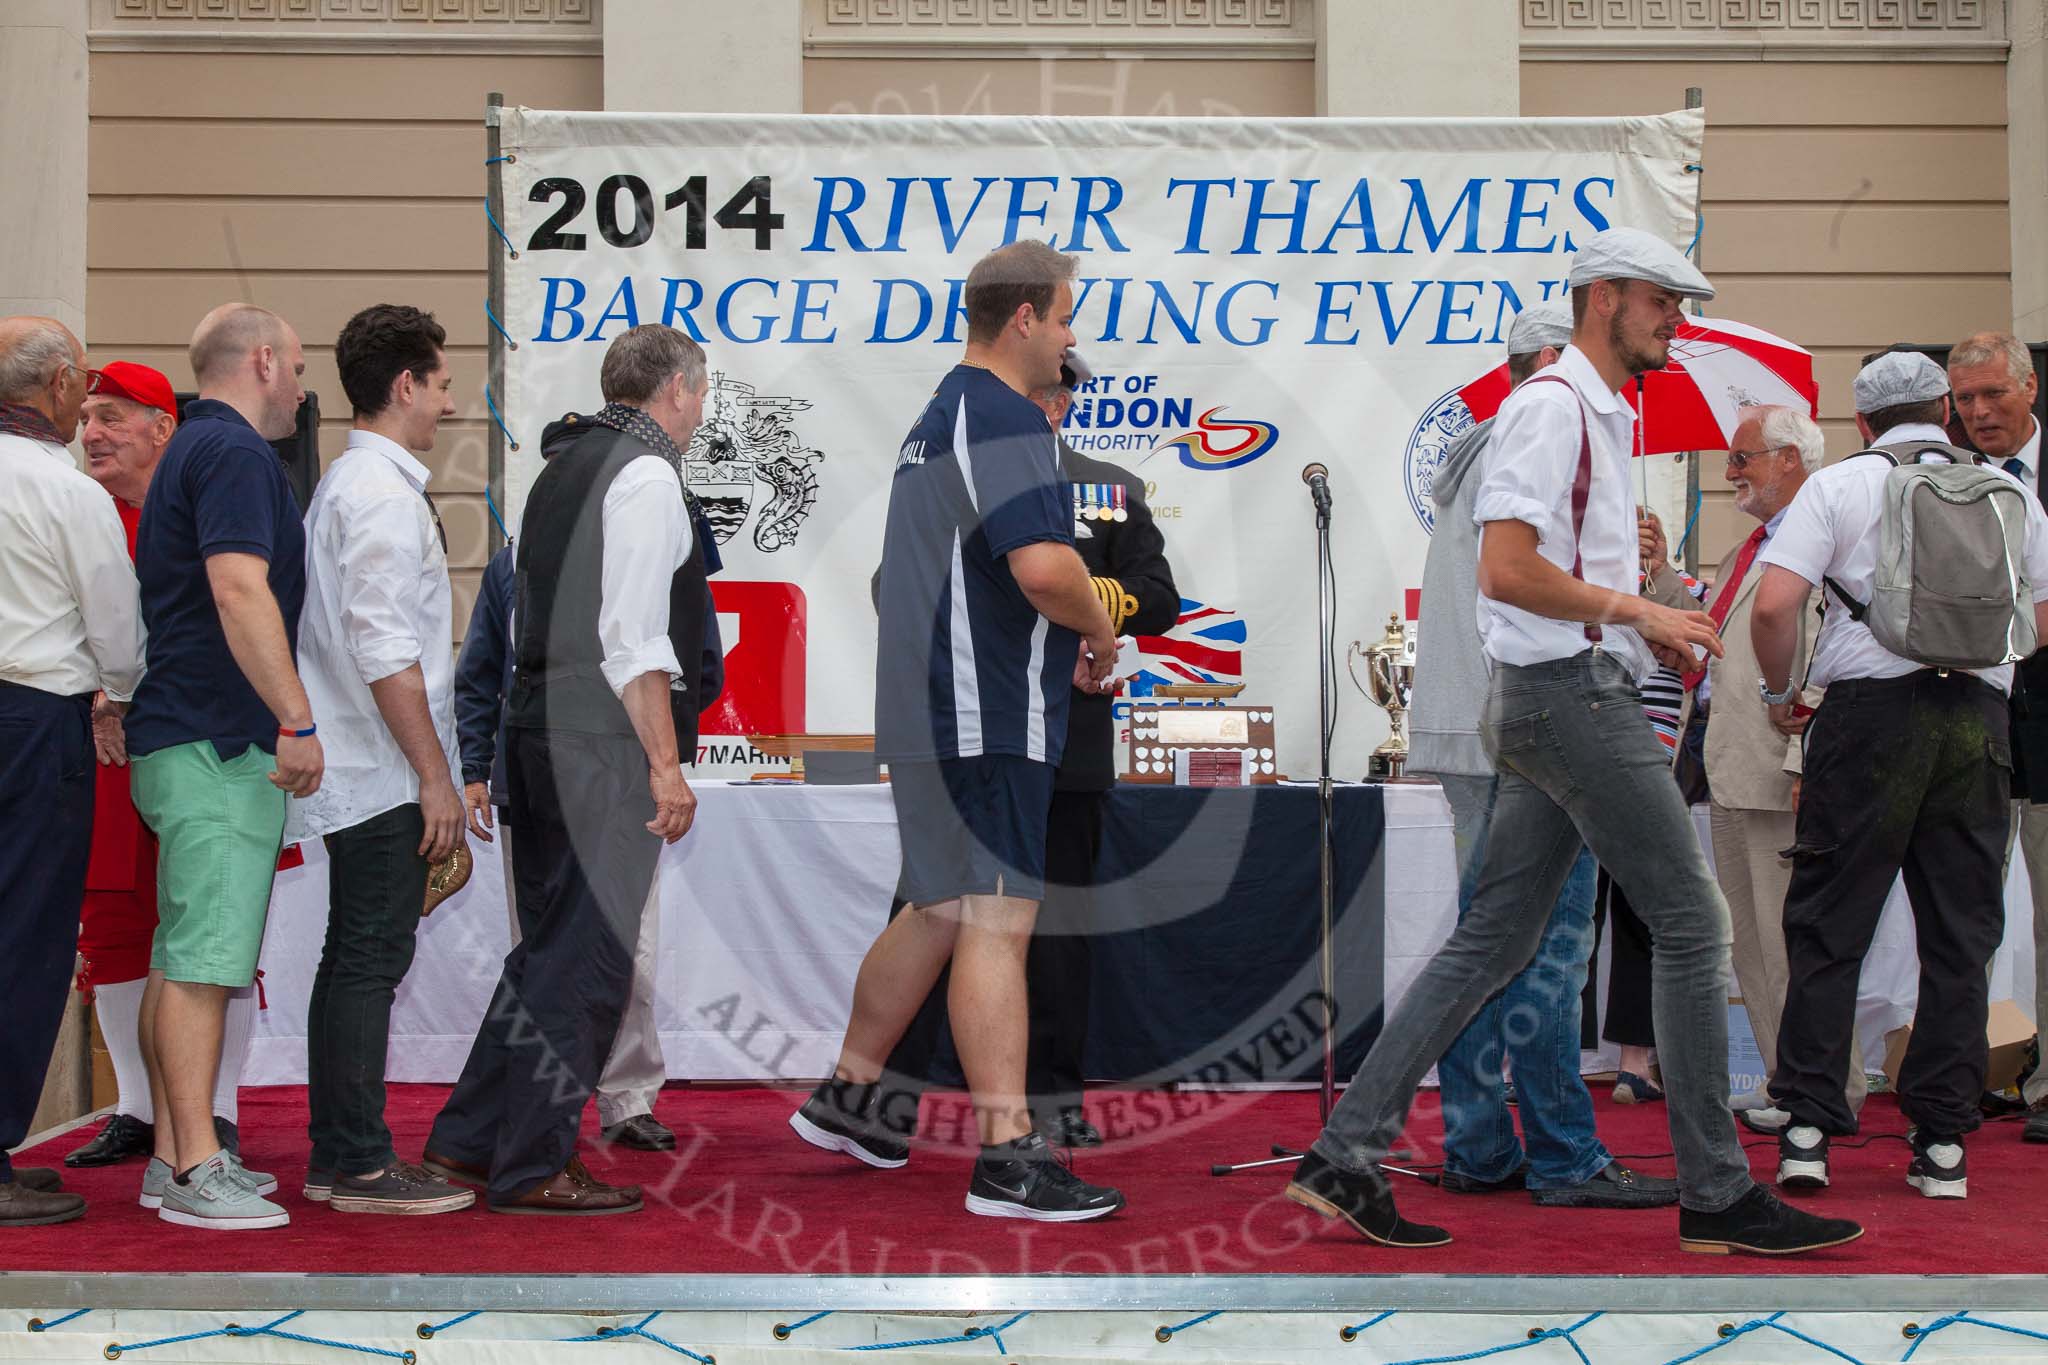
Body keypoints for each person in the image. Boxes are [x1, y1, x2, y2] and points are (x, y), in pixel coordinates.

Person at [1282, 226, 1861, 1257]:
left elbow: (1527, 572)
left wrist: (1639, 603)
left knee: (1491, 940)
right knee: (1691, 924)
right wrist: (1635, 613)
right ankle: (1717, 1191)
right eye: (1662, 305)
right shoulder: (1553, 410)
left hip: (1551, 694)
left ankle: (1344, 1152)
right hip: (1567, 697)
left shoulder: (1582, 410)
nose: (1674, 325)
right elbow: (1502, 572)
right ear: (1605, 298)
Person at [788, 240, 1126, 1222]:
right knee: (992, 916)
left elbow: (919, 576)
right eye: (1065, 317)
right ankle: (1009, 1156)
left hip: (937, 704)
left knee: (939, 908)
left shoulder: (939, 415)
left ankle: (855, 1093)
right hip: (983, 709)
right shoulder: (1003, 414)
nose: (1070, 339)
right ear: (1022, 317)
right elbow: (1045, 570)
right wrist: (1100, 634)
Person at [423, 323, 706, 1214]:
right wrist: (665, 764)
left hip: (536, 736)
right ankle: (535, 1162)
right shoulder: (649, 473)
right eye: (702, 392)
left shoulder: (560, 469)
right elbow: (633, 638)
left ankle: (469, 1144)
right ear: (677, 389)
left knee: (543, 953)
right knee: (586, 960)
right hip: (599, 745)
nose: (703, 410)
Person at [1753, 350, 2048, 1199]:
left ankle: (1808, 1128)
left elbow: (1775, 607)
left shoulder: (1842, 487)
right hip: (1977, 723)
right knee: (1959, 938)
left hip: (1868, 720)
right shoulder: (2008, 491)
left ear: (1864, 421)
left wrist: (1784, 692)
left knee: (1828, 927)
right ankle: (1944, 1143)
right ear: (1944, 410)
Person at [869, 347, 1179, 1154]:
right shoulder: (969, 454)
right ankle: (887, 1098)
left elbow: (1159, 595)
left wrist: (1090, 611)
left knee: (1054, 928)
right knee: (935, 907)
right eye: (1048, 384)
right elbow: (899, 579)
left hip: (1068, 735)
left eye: (1063, 391)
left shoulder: (1110, 487)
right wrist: (1040, 604)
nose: (1056, 401)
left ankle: (1050, 1100)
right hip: (986, 721)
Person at [1407, 300, 1672, 1210]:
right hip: (1526, 724)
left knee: (1491, 943)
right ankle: (1562, 1153)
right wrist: (1625, 592)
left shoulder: (1481, 451)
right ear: (1557, 361)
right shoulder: (1542, 440)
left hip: (1470, 722)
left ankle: (1483, 1143)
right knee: (1550, 948)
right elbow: (1530, 593)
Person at [124, 302, 318, 1230]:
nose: (306, 389)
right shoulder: (236, 454)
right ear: (267, 361)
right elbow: (238, 586)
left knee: (180, 955)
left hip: (182, 732)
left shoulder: (190, 451)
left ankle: (172, 1153)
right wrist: (296, 716)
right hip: (220, 738)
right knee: (205, 962)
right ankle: (199, 1166)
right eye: (301, 368)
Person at [454, 536, 726, 1154]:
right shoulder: (514, 559)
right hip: (532, 784)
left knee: (629, 949)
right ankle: (536, 1104)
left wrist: (651, 745)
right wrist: (475, 765)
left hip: (624, 787)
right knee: (539, 949)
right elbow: (481, 667)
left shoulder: (655, 549)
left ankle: (626, 1098)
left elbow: (701, 662)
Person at [289, 305, 473, 1215]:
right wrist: (434, 775)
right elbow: (383, 648)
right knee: (367, 960)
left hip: (367, 763)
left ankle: (341, 1155)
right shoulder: (380, 496)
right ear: (405, 384)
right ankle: (358, 1161)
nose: (448, 404)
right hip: (380, 770)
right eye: (441, 385)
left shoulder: (354, 485)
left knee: (354, 959)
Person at [68, 362, 262, 1170]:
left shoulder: (199, 505)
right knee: (117, 928)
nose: (94, 432)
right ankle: (139, 1110)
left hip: (206, 739)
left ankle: (213, 1113)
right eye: (86, 419)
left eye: (113, 415)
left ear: (163, 427)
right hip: (109, 753)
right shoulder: (81, 512)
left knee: (219, 928)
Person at [1664, 407, 1869, 1137]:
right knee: (1750, 943)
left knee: (1791, 941)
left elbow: (1820, 664)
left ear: (1788, 457)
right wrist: (1659, 581)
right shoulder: (1754, 544)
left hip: (1781, 771)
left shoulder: (1821, 542)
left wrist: (1799, 760)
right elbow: (1721, 640)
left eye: (1743, 458)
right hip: (1726, 767)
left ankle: (1828, 1088)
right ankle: (1790, 1080)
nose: (1731, 474)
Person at [0, 316, 145, 1228]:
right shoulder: (67, 489)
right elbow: (118, 632)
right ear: (57, 383)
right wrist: (119, 695)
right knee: (24, 934)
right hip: (32, 719)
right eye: (82, 382)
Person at [1945, 331, 2048, 1144]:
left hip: (2042, 726)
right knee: (1964, 913)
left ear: (2031, 389)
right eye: (1965, 399)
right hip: (1965, 730)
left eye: (1993, 395)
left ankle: (2046, 1086)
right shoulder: (1942, 481)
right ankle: (1966, 1072)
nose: (1979, 412)